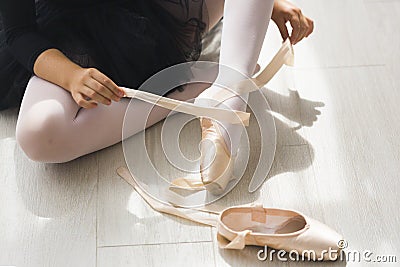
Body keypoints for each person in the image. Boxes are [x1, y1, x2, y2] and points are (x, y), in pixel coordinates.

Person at [0, 0, 313, 167]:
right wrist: (71, 75)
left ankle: (230, 89)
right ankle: (202, 83)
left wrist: (267, 5)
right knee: (40, 135)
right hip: (69, 36)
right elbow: (18, 32)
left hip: (159, 15)